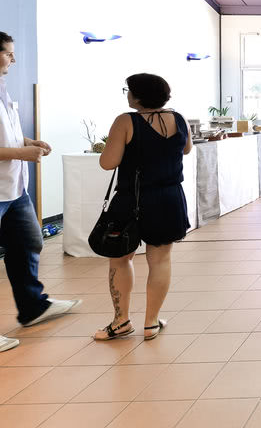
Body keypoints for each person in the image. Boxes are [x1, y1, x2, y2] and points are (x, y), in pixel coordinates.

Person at [93, 73, 191, 341]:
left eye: (128, 90)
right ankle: (151, 322)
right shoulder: (179, 118)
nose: (127, 94)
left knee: (121, 258)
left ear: (137, 96)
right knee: (160, 260)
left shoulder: (126, 121)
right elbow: (186, 149)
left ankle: (121, 321)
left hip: (131, 200)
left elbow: (108, 163)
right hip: (169, 198)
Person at [0, 31, 79, 352]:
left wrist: (29, 143)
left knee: (28, 241)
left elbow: (7, 133)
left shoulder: (3, 90)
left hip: (13, 188)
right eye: (8, 53)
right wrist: (20, 154)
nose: (14, 59)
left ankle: (33, 307)